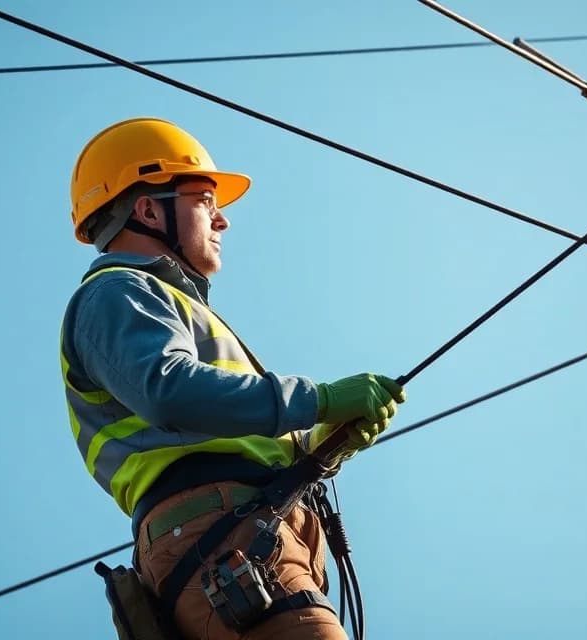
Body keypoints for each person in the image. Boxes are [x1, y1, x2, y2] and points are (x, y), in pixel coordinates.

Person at [59, 117, 404, 639]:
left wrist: (322, 442)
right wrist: (320, 399)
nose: (221, 221)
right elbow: (169, 390)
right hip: (221, 537)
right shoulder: (118, 291)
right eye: (203, 199)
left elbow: (211, 427)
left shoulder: (170, 304)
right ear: (148, 208)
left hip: (239, 538)